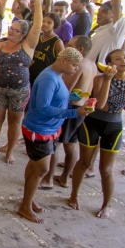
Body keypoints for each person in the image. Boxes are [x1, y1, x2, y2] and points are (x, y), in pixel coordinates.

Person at [18, 48, 90, 223]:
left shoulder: (55, 76)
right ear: (63, 61)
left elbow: (53, 99)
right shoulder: (49, 78)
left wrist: (69, 98)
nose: (75, 69)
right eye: (74, 65)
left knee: (35, 166)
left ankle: (27, 199)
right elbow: (43, 108)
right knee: (42, 169)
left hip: (46, 129)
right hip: (39, 129)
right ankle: (25, 206)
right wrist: (75, 112)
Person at [69, 50, 125, 219]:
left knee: (106, 169)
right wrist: (109, 79)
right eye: (117, 58)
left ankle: (106, 205)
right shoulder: (100, 79)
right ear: (110, 64)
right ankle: (73, 195)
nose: (123, 60)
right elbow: (101, 104)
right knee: (85, 162)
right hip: (93, 123)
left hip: (115, 126)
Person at [0, 0, 43, 164]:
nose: (11, 32)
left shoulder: (28, 45)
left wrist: (37, 5)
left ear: (24, 34)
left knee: (15, 122)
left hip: (19, 91)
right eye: (10, 28)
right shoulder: (0, 45)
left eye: (16, 31)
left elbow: (37, 27)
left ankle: (10, 151)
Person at [50, 36, 96, 187]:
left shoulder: (79, 64)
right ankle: (63, 177)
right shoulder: (92, 64)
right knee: (71, 144)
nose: (66, 47)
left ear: (80, 49)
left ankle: (49, 177)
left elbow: (65, 89)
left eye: (70, 45)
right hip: (81, 108)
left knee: (56, 143)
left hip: (71, 107)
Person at [28, 13, 64, 85]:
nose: (45, 24)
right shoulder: (38, 37)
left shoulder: (57, 42)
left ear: (55, 25)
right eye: (43, 21)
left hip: (44, 78)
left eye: (49, 22)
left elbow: (61, 63)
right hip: (30, 75)